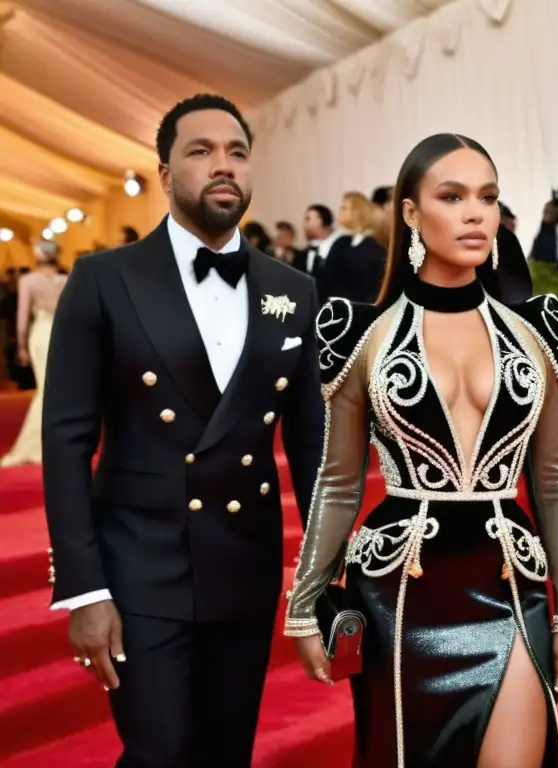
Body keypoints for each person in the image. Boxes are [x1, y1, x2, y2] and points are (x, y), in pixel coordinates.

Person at [284, 133, 558, 767]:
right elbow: (339, 482)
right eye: (452, 196)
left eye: (488, 197)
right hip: (401, 589)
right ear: (409, 212)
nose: (476, 213)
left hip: (509, 579)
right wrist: (304, 601)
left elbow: (554, 480)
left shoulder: (536, 333)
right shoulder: (362, 336)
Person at [41, 93, 324, 767]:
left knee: (225, 753)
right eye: (200, 152)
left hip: (244, 567)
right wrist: (84, 589)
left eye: (236, 152)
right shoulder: (104, 279)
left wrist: (322, 574)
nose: (221, 166)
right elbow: (65, 440)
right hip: (140, 566)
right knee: (159, 753)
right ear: (166, 176)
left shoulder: (293, 290)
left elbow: (313, 446)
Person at [0, 241, 67, 467]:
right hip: (61, 335)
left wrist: (20, 345)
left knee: (45, 390)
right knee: (55, 389)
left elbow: (22, 315)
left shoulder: (28, 280)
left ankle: (35, 445)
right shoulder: (65, 280)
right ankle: (54, 443)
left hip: (40, 334)